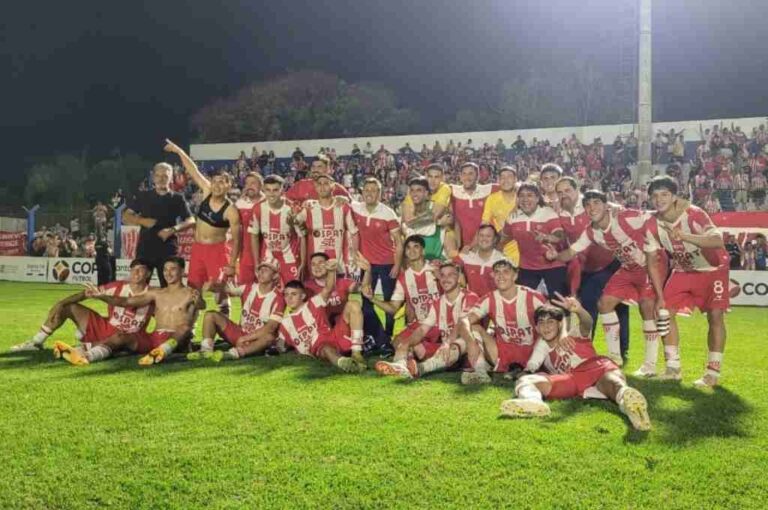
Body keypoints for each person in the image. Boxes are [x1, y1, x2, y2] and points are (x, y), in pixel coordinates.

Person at [499, 301, 651, 432]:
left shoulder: (573, 333)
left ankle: (632, 408)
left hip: (596, 367)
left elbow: (587, 323)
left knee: (614, 383)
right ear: (537, 328)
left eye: (550, 321)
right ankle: (533, 403)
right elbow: (532, 365)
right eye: (541, 322)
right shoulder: (542, 346)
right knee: (527, 381)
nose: (546, 326)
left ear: (559, 324)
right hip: (573, 379)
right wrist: (522, 373)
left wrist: (579, 310)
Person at [545, 190, 657, 367]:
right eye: (588, 205)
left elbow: (654, 217)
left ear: (606, 205)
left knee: (648, 311)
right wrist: (555, 256)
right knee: (604, 304)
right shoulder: (591, 232)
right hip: (628, 268)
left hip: (650, 265)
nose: (592, 208)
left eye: (596, 203)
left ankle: (650, 365)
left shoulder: (624, 217)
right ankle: (614, 357)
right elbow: (571, 252)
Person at [644, 176, 730, 387]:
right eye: (654, 196)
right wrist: (660, 297)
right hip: (683, 270)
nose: (659, 199)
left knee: (715, 317)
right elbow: (652, 263)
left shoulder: (694, 214)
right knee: (663, 312)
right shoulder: (652, 224)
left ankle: (712, 372)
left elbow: (717, 240)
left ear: (674, 197)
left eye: (664, 194)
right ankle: (673, 368)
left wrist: (684, 236)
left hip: (713, 270)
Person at [60, 257, 204, 365]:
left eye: (173, 269)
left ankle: (164, 350)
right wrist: (101, 296)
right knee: (121, 336)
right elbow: (126, 302)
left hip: (177, 340)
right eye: (165, 269)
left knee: (184, 327)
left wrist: (198, 302)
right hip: (154, 338)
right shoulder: (157, 293)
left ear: (182, 271)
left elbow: (202, 305)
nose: (168, 273)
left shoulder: (190, 293)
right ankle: (86, 357)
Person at [163, 139, 241, 314]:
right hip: (198, 249)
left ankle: (224, 326)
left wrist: (233, 263)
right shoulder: (206, 191)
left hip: (218, 250)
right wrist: (178, 150)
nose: (217, 185)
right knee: (193, 290)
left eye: (222, 182)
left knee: (219, 290)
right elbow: (193, 169)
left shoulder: (231, 211)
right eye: (215, 181)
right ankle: (190, 330)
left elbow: (237, 240)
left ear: (229, 185)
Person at [555, 177, 630, 359]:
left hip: (611, 262)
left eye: (567, 190)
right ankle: (586, 348)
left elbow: (609, 207)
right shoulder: (557, 213)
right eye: (560, 192)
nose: (564, 195)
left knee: (619, 305)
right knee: (589, 304)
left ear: (576, 190)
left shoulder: (589, 205)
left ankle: (620, 350)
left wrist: (616, 207)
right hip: (585, 267)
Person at [10, 259, 152, 353]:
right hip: (107, 328)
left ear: (149, 273)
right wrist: (61, 303)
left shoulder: (154, 295)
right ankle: (36, 342)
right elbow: (86, 293)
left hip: (129, 336)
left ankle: (87, 346)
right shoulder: (117, 286)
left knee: (122, 339)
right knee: (67, 307)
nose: (136, 272)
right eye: (133, 269)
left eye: (141, 269)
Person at [373, 261, 479, 379]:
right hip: (446, 350)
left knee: (460, 342)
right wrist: (406, 344)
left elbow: (461, 325)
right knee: (413, 345)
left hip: (467, 352)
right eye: (442, 275)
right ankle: (400, 366)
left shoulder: (470, 297)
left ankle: (420, 369)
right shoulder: (438, 302)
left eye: (451, 275)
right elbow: (422, 329)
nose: (445, 279)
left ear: (459, 278)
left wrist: (447, 343)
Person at [456, 259, 548, 384]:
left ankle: (531, 369)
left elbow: (556, 317)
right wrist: (471, 343)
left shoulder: (532, 296)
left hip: (532, 351)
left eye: (506, 272)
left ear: (515, 275)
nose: (500, 276)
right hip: (503, 352)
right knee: (474, 328)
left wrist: (563, 335)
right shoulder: (489, 298)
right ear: (493, 276)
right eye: (497, 272)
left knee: (547, 332)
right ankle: (481, 371)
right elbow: (464, 320)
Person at [278, 259, 366, 372]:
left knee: (353, 304)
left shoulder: (313, 303)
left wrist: (330, 271)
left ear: (303, 296)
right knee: (326, 349)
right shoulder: (285, 322)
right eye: (286, 295)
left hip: (334, 336)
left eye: (294, 294)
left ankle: (356, 353)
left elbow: (328, 288)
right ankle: (344, 363)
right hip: (320, 348)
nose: (289, 298)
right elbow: (280, 345)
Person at [189, 259, 285, 361]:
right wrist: (213, 286)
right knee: (210, 315)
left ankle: (234, 354)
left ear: (275, 276)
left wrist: (245, 338)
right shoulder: (249, 287)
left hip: (257, 340)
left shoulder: (278, 298)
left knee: (269, 337)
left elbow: (270, 328)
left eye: (265, 270)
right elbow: (227, 290)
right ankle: (206, 351)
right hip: (240, 334)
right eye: (260, 270)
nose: (261, 273)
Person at [360, 235, 441, 354]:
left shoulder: (435, 270)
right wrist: (372, 298)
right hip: (419, 324)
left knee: (409, 346)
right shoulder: (403, 279)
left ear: (423, 251)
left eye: (416, 247)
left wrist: (440, 276)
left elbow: (459, 282)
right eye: (408, 248)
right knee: (396, 343)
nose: (411, 250)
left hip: (439, 322)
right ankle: (424, 350)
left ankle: (427, 350)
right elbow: (393, 308)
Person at [349, 178, 403, 350]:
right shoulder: (356, 207)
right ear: (362, 192)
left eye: (374, 190)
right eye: (367, 189)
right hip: (368, 266)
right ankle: (372, 336)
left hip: (388, 264)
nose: (370, 193)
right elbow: (342, 199)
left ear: (380, 193)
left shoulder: (388, 213)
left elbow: (399, 242)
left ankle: (388, 339)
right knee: (366, 302)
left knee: (388, 302)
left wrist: (397, 264)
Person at [123, 162, 194, 287]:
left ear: (171, 178)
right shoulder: (143, 196)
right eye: (158, 175)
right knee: (139, 288)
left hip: (168, 249)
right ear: (153, 177)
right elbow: (126, 216)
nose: (161, 179)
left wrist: (172, 230)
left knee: (170, 289)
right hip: (145, 249)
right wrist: (142, 221)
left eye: (165, 176)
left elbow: (191, 220)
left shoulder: (177, 198)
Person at [499, 183, 567, 298]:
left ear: (537, 198)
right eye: (522, 196)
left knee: (559, 305)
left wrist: (548, 237)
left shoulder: (548, 213)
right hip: (526, 268)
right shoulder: (513, 217)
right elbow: (503, 239)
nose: (525, 199)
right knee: (522, 303)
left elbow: (560, 235)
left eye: (529, 195)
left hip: (553, 266)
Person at [295, 174, 358, 274]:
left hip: (340, 266)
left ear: (333, 186)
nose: (322, 187)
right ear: (315, 187)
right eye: (319, 184)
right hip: (316, 269)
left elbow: (354, 233)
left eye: (326, 183)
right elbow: (295, 226)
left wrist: (355, 255)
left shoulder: (343, 207)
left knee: (347, 288)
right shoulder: (309, 208)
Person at [249, 175, 304, 286]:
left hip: (290, 258)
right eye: (268, 190)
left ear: (282, 190)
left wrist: (303, 262)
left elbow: (302, 236)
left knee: (294, 292)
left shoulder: (292, 208)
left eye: (275, 190)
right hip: (268, 257)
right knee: (269, 293)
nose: (271, 194)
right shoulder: (258, 208)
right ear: (263, 190)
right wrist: (256, 262)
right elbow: (254, 236)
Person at [401, 176, 457, 261]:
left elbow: (450, 223)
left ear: (426, 193)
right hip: (414, 264)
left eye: (419, 190)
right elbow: (407, 228)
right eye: (412, 190)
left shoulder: (438, 210)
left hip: (436, 263)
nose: (415, 194)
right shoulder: (407, 213)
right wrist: (437, 222)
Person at [451, 162, 496, 249]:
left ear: (478, 176)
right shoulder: (452, 190)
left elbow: (513, 187)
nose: (467, 177)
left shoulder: (488, 189)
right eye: (464, 174)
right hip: (461, 246)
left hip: (484, 244)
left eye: (471, 174)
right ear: (460, 176)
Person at [453, 223, 506, 297]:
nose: (484, 239)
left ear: (494, 239)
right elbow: (449, 267)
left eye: (488, 236)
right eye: (481, 236)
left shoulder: (502, 261)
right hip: (472, 304)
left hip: (493, 305)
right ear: (477, 238)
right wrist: (459, 273)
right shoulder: (467, 257)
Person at [481, 165, 520, 265]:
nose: (505, 180)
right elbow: (484, 223)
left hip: (525, 250)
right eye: (502, 177)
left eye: (509, 177)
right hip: (503, 250)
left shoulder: (523, 197)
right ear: (498, 180)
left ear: (516, 179)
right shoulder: (492, 199)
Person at [235, 172, 264, 284]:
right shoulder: (239, 204)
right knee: (245, 288)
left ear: (261, 185)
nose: (249, 186)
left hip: (266, 253)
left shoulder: (268, 202)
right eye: (247, 184)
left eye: (253, 183)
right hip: (246, 255)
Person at [285, 154, 350, 204]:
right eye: (313, 166)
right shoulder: (301, 185)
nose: (315, 170)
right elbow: (284, 200)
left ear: (328, 169)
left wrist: (345, 200)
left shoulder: (337, 188)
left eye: (319, 167)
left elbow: (352, 203)